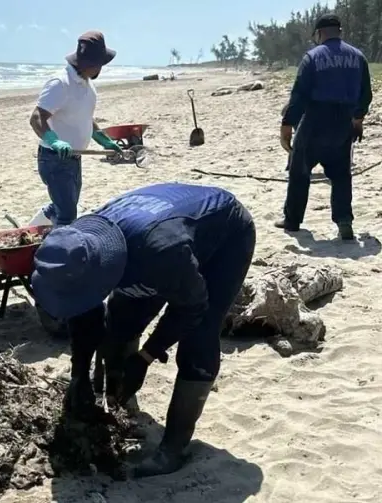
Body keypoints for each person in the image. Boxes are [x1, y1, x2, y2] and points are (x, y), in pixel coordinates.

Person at [31, 182, 256, 478]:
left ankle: (172, 449)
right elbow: (85, 312)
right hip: (154, 233)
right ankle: (120, 402)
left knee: (198, 337)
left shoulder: (161, 253)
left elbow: (191, 307)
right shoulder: (82, 244)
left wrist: (145, 357)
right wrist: (79, 372)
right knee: (120, 323)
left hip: (225, 238)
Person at [277, 13, 373, 240]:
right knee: (341, 174)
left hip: (315, 119)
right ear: (339, 32)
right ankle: (344, 221)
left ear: (319, 34)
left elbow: (299, 95)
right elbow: (365, 94)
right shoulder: (358, 57)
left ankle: (292, 221)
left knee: (299, 170)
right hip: (344, 121)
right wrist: (358, 120)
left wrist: (287, 125)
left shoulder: (312, 57)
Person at [27, 30, 123, 227]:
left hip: (74, 157)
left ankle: (32, 229)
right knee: (68, 214)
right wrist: (54, 141)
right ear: (90, 64)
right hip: (54, 158)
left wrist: (103, 139)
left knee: (67, 204)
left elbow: (85, 118)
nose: (102, 68)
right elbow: (36, 117)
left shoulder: (87, 85)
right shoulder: (60, 83)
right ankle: (57, 253)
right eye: (101, 64)